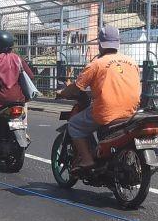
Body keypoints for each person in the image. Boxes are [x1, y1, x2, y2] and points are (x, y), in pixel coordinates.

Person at [56, 25, 141, 173]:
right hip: (131, 111)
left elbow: (77, 87)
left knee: (75, 124)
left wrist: (62, 92)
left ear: (100, 44)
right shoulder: (132, 62)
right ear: (118, 43)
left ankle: (87, 159)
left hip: (107, 112)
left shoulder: (96, 64)